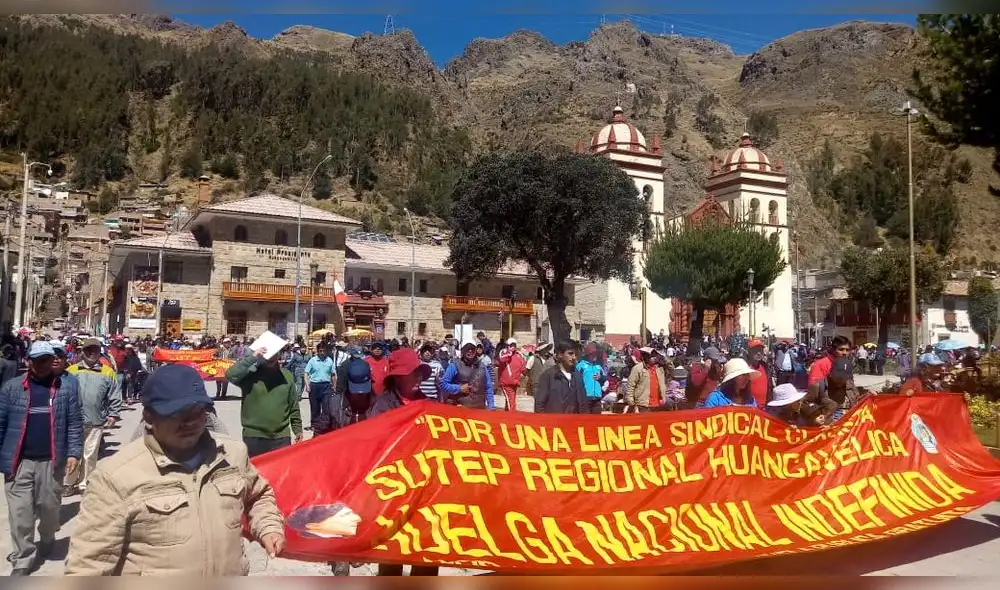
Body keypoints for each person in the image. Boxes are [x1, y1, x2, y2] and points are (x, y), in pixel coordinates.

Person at [65, 364, 286, 575]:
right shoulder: (114, 477)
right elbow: (89, 564)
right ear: (149, 418)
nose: (189, 422)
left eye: (197, 412)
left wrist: (267, 526)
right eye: (177, 414)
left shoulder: (232, 454)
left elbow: (258, 495)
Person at [0, 341, 82, 575]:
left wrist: (74, 452)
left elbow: (74, 423)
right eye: (38, 360)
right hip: (19, 463)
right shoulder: (12, 388)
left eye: (47, 359)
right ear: (29, 361)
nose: (43, 364)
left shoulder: (65, 389)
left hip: (51, 462)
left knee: (49, 509)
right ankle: (23, 558)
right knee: (20, 514)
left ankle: (47, 538)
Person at [64, 338, 121, 496]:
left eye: (94, 350)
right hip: (73, 421)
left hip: (96, 421)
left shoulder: (107, 372)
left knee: (90, 455)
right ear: (82, 352)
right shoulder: (72, 371)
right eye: (88, 350)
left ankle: (84, 484)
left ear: (99, 352)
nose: (91, 353)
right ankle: (69, 483)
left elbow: (115, 394)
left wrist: (113, 414)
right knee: (73, 453)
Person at [225, 343, 303, 458]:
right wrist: (252, 357)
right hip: (253, 437)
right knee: (254, 474)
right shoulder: (249, 374)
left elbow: (293, 406)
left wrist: (298, 429)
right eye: (268, 353)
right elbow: (230, 374)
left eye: (274, 353)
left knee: (280, 474)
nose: (271, 356)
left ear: (279, 355)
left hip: (281, 438)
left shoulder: (287, 376)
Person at [440, 340, 495, 410]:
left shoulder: (482, 366)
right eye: (467, 348)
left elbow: (488, 387)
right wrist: (459, 388)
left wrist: (491, 407)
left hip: (479, 409)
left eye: (472, 348)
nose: (470, 351)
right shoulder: (455, 365)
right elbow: (443, 384)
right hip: (460, 409)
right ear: (463, 350)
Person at [534, 341, 587, 414]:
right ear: (560, 355)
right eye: (570, 354)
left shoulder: (578, 375)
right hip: (554, 423)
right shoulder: (548, 375)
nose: (574, 357)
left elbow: (583, 403)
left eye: (575, 354)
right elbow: (539, 405)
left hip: (574, 422)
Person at [625, 347, 668, 413]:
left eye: (655, 356)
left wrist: (664, 357)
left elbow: (671, 368)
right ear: (646, 357)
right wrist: (631, 403)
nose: (654, 358)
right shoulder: (638, 368)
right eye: (652, 356)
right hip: (643, 405)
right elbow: (630, 386)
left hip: (658, 404)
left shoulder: (660, 368)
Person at [304, 344, 336, 430]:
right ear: (317, 351)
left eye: (323, 351)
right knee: (315, 407)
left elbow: (333, 374)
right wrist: (307, 385)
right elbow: (306, 373)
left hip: (326, 386)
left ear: (326, 351)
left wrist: (334, 385)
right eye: (320, 351)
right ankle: (315, 425)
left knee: (326, 407)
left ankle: (325, 425)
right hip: (314, 386)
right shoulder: (312, 361)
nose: (322, 353)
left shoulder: (329, 361)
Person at [576, 343, 608, 414]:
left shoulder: (598, 367)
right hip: (585, 398)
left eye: (596, 354)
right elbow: (575, 380)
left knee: (596, 421)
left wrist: (601, 377)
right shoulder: (581, 366)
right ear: (588, 354)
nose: (595, 356)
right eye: (593, 354)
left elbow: (605, 379)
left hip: (597, 398)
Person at [746, 339, 772, 406]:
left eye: (760, 350)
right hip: (749, 409)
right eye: (756, 350)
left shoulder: (765, 367)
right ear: (749, 351)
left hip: (764, 409)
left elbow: (769, 387)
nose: (759, 353)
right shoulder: (744, 368)